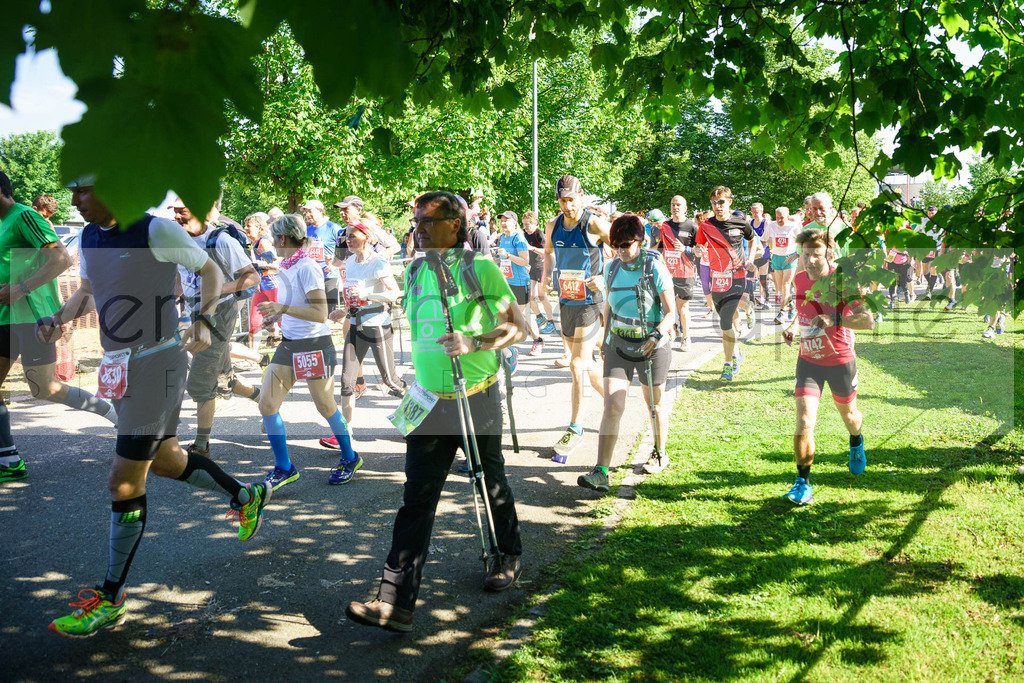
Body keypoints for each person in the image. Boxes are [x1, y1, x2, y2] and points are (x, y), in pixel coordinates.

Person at [43, 179, 270, 638]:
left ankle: (110, 598)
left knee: (123, 480)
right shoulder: (89, 236)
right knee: (166, 461)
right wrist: (59, 319)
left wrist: (203, 319)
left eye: (81, 191)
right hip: (120, 366)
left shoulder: (154, 230)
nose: (72, 201)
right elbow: (87, 289)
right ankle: (247, 496)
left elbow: (208, 271)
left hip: (158, 365)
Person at [346, 191, 527, 632]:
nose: (419, 228)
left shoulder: (478, 267)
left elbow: (518, 328)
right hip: (428, 401)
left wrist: (475, 342)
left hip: (475, 395)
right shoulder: (414, 272)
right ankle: (395, 603)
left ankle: (505, 556)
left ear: (455, 224)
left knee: (490, 480)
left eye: (429, 221)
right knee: (416, 500)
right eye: (416, 221)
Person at [0, 172, 118, 483]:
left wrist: (21, 288)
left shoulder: (24, 216)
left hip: (31, 316)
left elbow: (61, 260)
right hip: (4, 316)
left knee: (46, 388)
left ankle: (112, 414)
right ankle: (9, 458)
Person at [256, 214, 361, 490]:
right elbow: (292, 306)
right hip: (289, 345)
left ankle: (349, 458)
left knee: (325, 406)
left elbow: (320, 313)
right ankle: (284, 468)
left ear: (282, 238)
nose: (271, 246)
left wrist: (282, 309)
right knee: (266, 404)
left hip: (314, 347)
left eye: (273, 239)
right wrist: (275, 319)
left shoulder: (306, 266)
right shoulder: (287, 266)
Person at [578, 214, 676, 492]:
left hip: (652, 345)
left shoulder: (653, 266)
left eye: (626, 244)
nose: (621, 250)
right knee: (612, 405)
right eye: (616, 244)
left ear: (641, 241)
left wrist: (657, 335)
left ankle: (659, 452)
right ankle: (601, 471)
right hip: (619, 344)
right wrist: (605, 340)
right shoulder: (611, 269)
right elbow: (609, 309)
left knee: (654, 405)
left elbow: (672, 313)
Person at [780, 228, 874, 505]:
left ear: (829, 254)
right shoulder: (799, 279)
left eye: (816, 255)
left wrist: (834, 320)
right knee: (805, 420)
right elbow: (804, 308)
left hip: (840, 360)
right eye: (805, 254)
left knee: (850, 417)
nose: (809, 261)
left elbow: (867, 321)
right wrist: (794, 325)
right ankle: (802, 482)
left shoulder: (843, 281)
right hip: (808, 359)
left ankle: (856, 442)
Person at [170, 198, 261, 459]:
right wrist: (166, 306)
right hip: (194, 310)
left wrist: (217, 287)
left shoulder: (221, 240)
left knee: (199, 379)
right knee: (223, 377)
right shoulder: (179, 240)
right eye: (174, 213)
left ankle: (201, 444)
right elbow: (181, 278)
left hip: (220, 312)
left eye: (182, 212)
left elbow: (252, 276)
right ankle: (264, 399)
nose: (177, 217)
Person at [319, 221, 404, 450]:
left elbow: (394, 293)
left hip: (377, 326)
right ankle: (345, 434)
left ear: (367, 237)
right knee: (347, 381)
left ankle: (420, 418)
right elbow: (352, 295)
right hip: (355, 325)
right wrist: (343, 310)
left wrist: (368, 294)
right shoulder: (349, 262)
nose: (348, 240)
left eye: (352, 236)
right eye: (346, 236)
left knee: (391, 381)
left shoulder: (378, 262)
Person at [541, 175, 609, 460]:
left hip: (591, 302)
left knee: (577, 363)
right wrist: (546, 277)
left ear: (582, 196)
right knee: (586, 363)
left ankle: (576, 427)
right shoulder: (551, 225)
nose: (568, 206)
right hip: (567, 300)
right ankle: (615, 400)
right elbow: (548, 253)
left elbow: (625, 250)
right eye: (562, 200)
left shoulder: (593, 223)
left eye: (572, 200)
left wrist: (604, 277)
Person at [693, 186, 756, 382]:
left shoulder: (740, 222)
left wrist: (750, 259)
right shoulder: (706, 225)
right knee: (725, 322)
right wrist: (698, 251)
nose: (717, 206)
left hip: (737, 275)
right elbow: (699, 247)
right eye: (714, 202)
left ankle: (727, 364)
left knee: (726, 320)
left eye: (721, 202)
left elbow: (753, 240)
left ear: (729, 202)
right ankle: (737, 353)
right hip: (718, 277)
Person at [653, 195, 699, 352]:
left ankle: (686, 337)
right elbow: (659, 246)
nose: (675, 207)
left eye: (679, 204)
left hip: (685, 272)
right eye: (673, 204)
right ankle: (671, 330)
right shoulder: (665, 226)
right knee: (666, 304)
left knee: (683, 307)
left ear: (685, 208)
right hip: (667, 272)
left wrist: (685, 249)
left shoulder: (692, 227)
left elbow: (700, 251)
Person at [496, 210, 544, 356]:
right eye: (501, 220)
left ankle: (538, 341)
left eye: (506, 220)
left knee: (523, 314)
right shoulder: (502, 238)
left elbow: (525, 261)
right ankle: (506, 345)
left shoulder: (519, 239)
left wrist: (508, 255)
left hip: (520, 282)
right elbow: (503, 261)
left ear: (514, 222)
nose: (503, 223)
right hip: (506, 281)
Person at [244, 212, 279, 353]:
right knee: (254, 320)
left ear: (259, 227)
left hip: (272, 283)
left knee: (282, 319)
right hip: (260, 285)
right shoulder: (254, 243)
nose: (246, 229)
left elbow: (274, 262)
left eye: (248, 226)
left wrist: (257, 266)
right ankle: (252, 356)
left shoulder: (263, 241)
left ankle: (297, 348)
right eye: (245, 226)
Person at [302, 199, 343, 312]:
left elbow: (344, 249)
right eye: (306, 212)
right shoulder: (306, 230)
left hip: (329, 274)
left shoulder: (333, 228)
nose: (307, 215)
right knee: (314, 310)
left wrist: (335, 264)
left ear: (320, 211)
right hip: (312, 275)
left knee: (330, 312)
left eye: (310, 211)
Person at [522, 210, 556, 335]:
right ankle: (540, 318)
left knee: (542, 295)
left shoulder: (540, 234)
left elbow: (547, 252)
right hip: (531, 267)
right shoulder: (524, 234)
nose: (526, 227)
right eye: (524, 224)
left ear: (535, 223)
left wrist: (532, 248)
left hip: (542, 266)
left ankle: (551, 321)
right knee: (529, 295)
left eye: (528, 224)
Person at [768, 207, 800, 323]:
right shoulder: (771, 226)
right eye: (777, 217)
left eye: (782, 218)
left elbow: (802, 241)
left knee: (786, 285)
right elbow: (764, 239)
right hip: (776, 257)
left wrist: (797, 254)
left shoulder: (793, 227)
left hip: (790, 257)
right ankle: (791, 303)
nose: (779, 220)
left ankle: (782, 312)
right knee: (781, 287)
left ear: (787, 216)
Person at [748, 203, 772, 307]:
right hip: (753, 253)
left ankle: (767, 300)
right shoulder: (750, 222)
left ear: (761, 211)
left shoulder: (766, 223)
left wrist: (761, 244)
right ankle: (752, 300)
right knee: (750, 278)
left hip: (764, 253)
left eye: (756, 211)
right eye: (752, 211)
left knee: (763, 279)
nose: (754, 214)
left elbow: (770, 238)